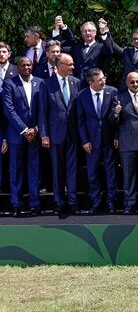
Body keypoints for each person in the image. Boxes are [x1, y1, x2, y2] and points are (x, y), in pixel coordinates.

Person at [37, 53, 81, 216]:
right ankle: (58, 202)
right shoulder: (46, 84)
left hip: (73, 134)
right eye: (70, 64)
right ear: (60, 65)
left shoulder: (76, 82)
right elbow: (42, 111)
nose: (73, 67)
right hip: (55, 135)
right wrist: (44, 135)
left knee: (72, 170)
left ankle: (72, 202)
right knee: (57, 170)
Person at [75, 68, 119, 213]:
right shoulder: (82, 95)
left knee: (110, 172)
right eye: (100, 80)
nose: (103, 81)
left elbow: (116, 119)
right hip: (91, 142)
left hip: (108, 140)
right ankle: (95, 202)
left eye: (104, 78)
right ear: (91, 82)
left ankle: (112, 202)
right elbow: (80, 121)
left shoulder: (112, 91)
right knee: (92, 173)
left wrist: (116, 136)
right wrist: (85, 141)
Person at [3, 57, 43, 216]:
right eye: (23, 65)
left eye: (29, 65)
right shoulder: (9, 83)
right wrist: (24, 130)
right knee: (15, 171)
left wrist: (36, 129)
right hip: (17, 135)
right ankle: (16, 205)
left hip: (35, 134)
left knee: (35, 170)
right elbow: (9, 109)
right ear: (17, 67)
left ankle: (35, 204)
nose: (26, 67)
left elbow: (43, 108)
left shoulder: (40, 82)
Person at [110, 71, 138, 214]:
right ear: (127, 83)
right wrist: (116, 112)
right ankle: (129, 204)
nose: (136, 84)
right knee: (128, 175)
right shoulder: (119, 98)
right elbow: (112, 121)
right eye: (132, 82)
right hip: (127, 143)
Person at [54, 17, 117, 86]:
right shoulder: (77, 47)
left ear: (95, 32)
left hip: (94, 85)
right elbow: (59, 46)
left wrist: (104, 33)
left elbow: (109, 51)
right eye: (85, 31)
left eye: (90, 30)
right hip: (76, 85)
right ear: (81, 34)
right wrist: (60, 28)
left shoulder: (101, 47)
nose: (87, 33)